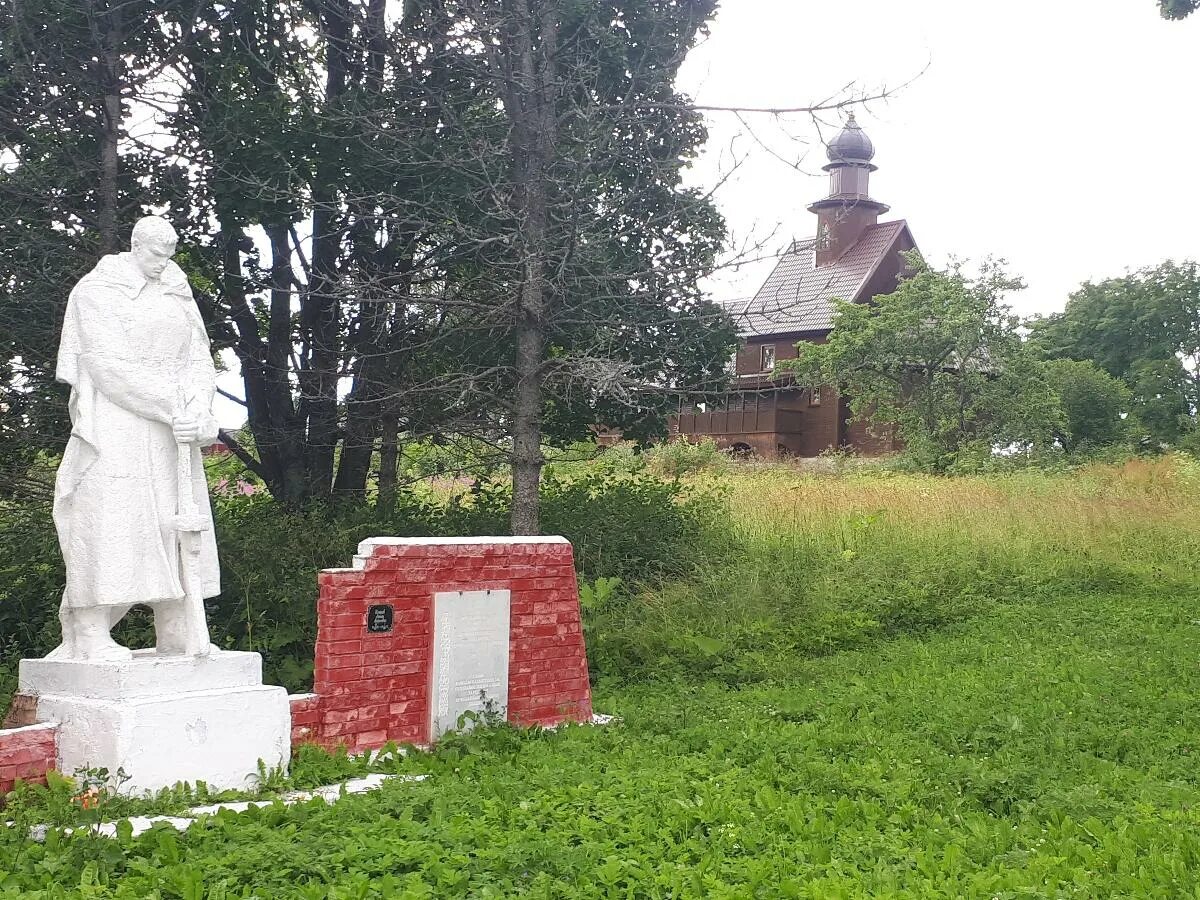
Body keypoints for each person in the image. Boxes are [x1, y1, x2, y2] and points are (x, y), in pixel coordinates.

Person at [51, 216, 221, 661]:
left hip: (173, 431)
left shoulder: (176, 290)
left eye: (170, 256)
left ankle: (177, 628)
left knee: (176, 520)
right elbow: (108, 366)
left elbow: (200, 356)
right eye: (155, 256)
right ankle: (88, 634)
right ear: (134, 245)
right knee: (113, 522)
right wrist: (173, 405)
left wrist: (201, 410)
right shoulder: (97, 292)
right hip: (118, 424)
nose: (163, 265)